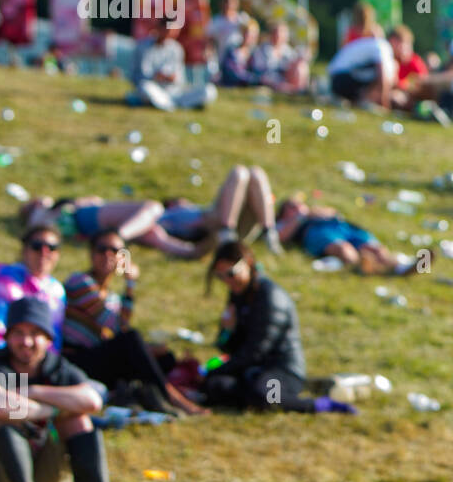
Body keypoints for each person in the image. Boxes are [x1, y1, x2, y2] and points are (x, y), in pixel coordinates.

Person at [0, 297, 136, 482]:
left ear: (48, 339)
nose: (26, 342)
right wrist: (54, 408)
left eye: (35, 333)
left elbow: (93, 400)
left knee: (78, 419)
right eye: (18, 333)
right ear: (7, 337)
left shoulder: (57, 368)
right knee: (6, 417)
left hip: (48, 481)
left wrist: (34, 392)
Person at [62, 229, 208, 416]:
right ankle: (171, 396)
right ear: (91, 253)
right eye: (101, 249)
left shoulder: (113, 298)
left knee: (163, 357)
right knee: (132, 339)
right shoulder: (80, 282)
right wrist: (130, 284)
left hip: (97, 356)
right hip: (76, 359)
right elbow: (117, 326)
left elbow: (118, 329)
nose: (108, 255)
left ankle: (158, 392)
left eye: (115, 250)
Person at [203, 242, 354, 413]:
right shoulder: (238, 295)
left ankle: (321, 404)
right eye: (220, 276)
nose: (227, 281)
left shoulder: (271, 297)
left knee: (267, 396)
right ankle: (254, 398)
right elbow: (229, 348)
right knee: (215, 386)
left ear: (249, 263)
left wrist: (216, 371)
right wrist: (227, 331)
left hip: (281, 370)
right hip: (251, 370)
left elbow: (257, 350)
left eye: (231, 273)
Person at [0, 225, 67, 370]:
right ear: (24, 250)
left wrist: (44, 368)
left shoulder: (57, 291)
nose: (44, 252)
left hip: (37, 368)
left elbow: (54, 339)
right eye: (37, 246)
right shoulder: (3, 281)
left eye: (52, 247)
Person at [20, 193, 200, 259]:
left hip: (90, 222)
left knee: (152, 232)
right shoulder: (42, 213)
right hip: (86, 218)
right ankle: (119, 235)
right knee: (153, 207)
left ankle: (189, 251)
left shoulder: (46, 214)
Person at [274, 197, 421, 275]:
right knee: (344, 250)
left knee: (375, 249)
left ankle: (400, 267)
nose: (298, 207)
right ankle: (368, 268)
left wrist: (312, 212)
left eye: (299, 204)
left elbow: (333, 212)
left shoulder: (314, 211)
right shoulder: (286, 223)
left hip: (342, 228)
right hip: (317, 233)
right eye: (292, 207)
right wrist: (299, 218)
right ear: (284, 213)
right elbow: (280, 237)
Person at [158, 164, 282, 256]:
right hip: (214, 231)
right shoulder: (170, 214)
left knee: (256, 173)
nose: (183, 201)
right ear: (171, 205)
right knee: (239, 172)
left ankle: (269, 232)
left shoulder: (194, 208)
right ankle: (227, 230)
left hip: (233, 228)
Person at [128, 22, 217, 111]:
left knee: (209, 90)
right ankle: (173, 104)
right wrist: (156, 77)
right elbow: (139, 76)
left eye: (174, 31)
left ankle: (168, 104)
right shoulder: (143, 47)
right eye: (168, 31)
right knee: (145, 87)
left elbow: (180, 79)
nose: (171, 34)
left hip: (174, 92)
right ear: (159, 28)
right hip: (154, 89)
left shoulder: (176, 49)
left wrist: (173, 78)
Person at [328, 5, 396, 108]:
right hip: (344, 77)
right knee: (380, 72)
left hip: (336, 75)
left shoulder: (352, 31)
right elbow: (382, 73)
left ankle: (362, 98)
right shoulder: (379, 42)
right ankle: (367, 99)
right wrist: (386, 104)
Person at [251, 21, 310, 94]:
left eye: (283, 33)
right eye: (277, 33)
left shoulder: (288, 51)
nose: (279, 36)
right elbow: (259, 72)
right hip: (270, 81)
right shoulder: (261, 51)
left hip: (286, 80)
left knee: (301, 66)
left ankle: (301, 90)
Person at [216, 16, 262, 88]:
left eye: (252, 34)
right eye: (247, 33)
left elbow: (259, 71)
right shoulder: (232, 50)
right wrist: (252, 80)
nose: (249, 36)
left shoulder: (257, 52)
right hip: (231, 85)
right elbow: (230, 73)